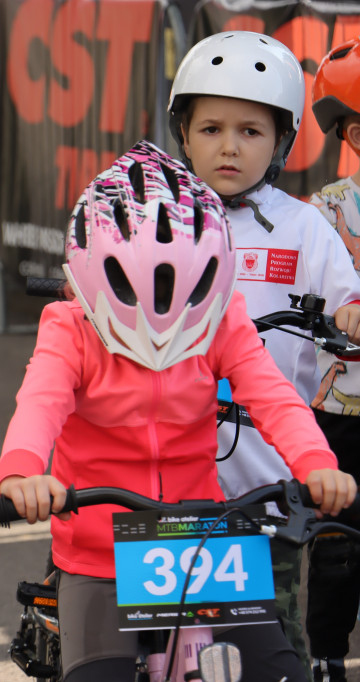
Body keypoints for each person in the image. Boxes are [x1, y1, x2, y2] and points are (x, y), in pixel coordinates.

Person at [0, 140, 357, 682]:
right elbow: (39, 404)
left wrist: (315, 463)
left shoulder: (222, 317)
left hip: (205, 538)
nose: (162, 313)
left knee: (281, 672)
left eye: (182, 290)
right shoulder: (68, 328)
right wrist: (22, 472)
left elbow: (271, 394)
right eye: (137, 288)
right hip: (100, 552)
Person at [166, 31, 360, 675]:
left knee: (271, 640)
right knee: (153, 635)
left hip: (263, 483)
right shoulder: (156, 218)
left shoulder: (304, 225)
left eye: (251, 131)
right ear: (183, 135)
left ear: (281, 142)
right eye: (212, 128)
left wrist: (351, 314)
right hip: (159, 474)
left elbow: (344, 297)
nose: (229, 145)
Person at [302, 36, 360, 682]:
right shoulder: (328, 211)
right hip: (344, 403)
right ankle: (324, 655)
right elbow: (312, 294)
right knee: (337, 540)